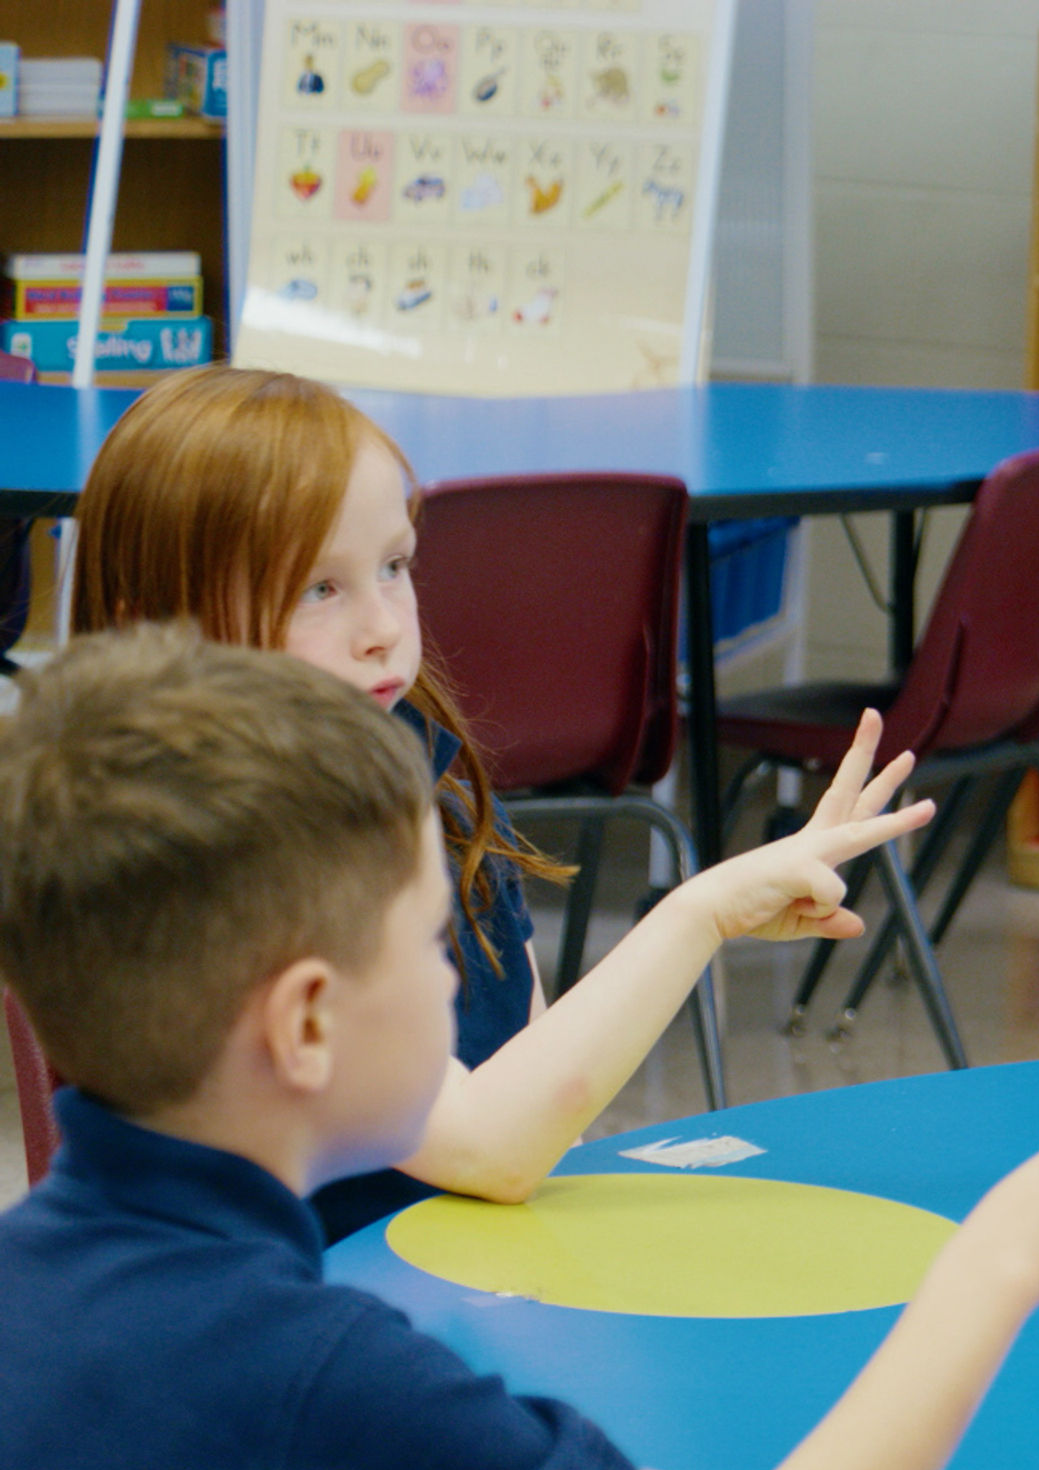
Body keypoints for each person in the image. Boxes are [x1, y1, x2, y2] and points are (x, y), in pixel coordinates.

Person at [0, 628, 1039, 1470]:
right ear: (308, 1025)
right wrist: (1000, 1259)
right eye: (427, 944)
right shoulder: (309, 1376)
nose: (458, 980)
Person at [71, 364, 925, 1241]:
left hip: (445, 1281)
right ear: (159, 629)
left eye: (394, 566)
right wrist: (700, 917)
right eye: (316, 589)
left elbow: (539, 1107)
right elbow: (489, 1148)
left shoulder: (420, 773)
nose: (383, 627)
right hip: (287, 1330)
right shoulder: (202, 865)